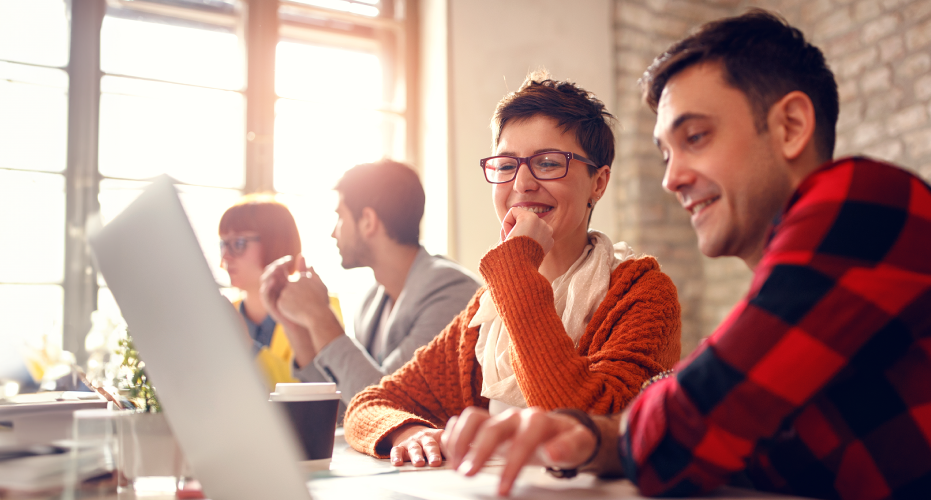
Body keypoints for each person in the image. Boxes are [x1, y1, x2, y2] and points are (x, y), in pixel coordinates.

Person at [440, 10, 931, 500]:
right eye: (665, 152)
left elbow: (705, 410)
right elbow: (729, 443)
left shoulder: (866, 205)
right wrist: (593, 438)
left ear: (790, 126)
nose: (672, 176)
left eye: (695, 137)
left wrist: (604, 435)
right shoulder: (817, 307)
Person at [336, 74, 683, 468]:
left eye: (548, 163)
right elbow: (370, 403)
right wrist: (411, 433)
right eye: (505, 165)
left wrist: (517, 270)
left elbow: (584, 424)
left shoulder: (641, 293)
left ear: (598, 183)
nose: (521, 184)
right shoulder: (487, 310)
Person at [262, 160, 481, 408]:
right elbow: (348, 406)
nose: (334, 232)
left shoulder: (452, 293)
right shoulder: (370, 301)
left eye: (340, 217)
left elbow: (387, 406)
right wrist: (294, 325)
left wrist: (320, 317)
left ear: (368, 220)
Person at [217, 196, 331, 392]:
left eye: (238, 243)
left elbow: (313, 395)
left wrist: (244, 346)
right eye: (223, 244)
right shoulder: (225, 316)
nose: (225, 256)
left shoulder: (320, 309)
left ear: (275, 242)